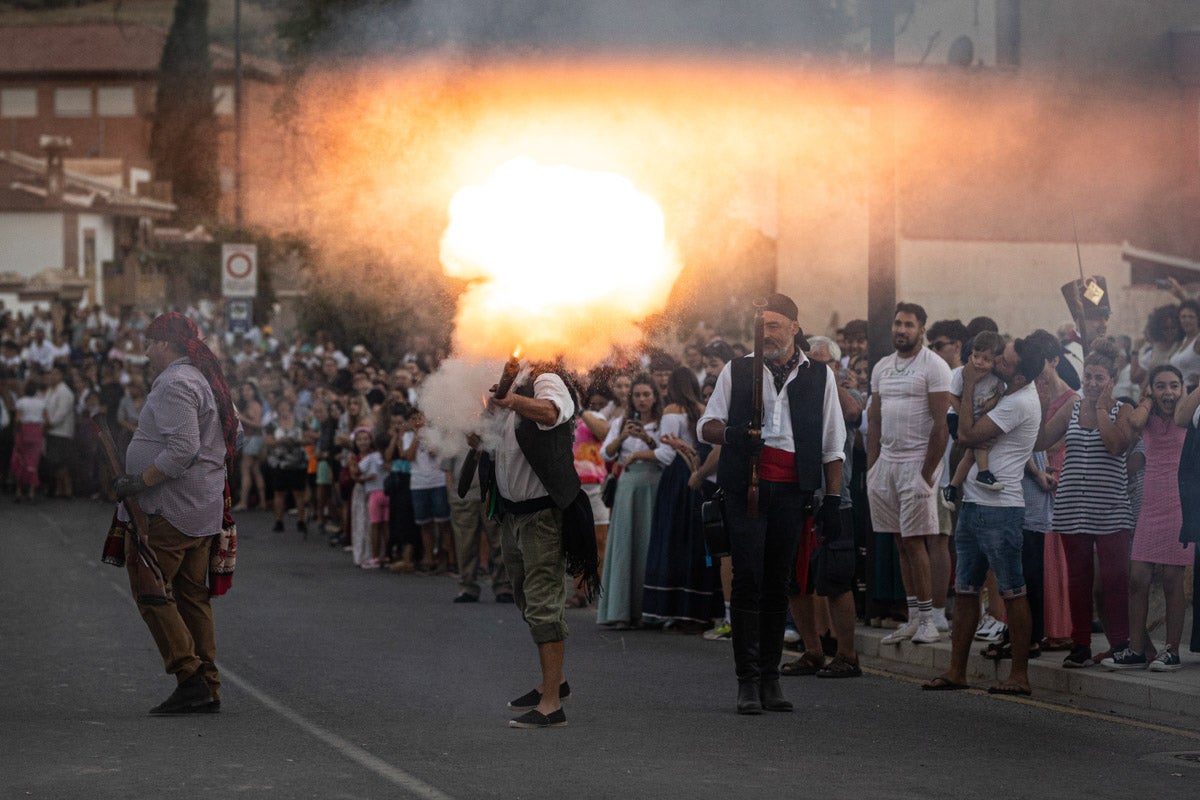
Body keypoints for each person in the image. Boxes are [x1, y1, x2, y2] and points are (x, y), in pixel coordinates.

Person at [698, 293, 846, 714]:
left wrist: (832, 498)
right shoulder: (738, 369)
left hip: (791, 492)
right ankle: (747, 680)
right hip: (747, 488)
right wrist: (732, 435)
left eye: (776, 325)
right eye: (763, 326)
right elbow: (706, 423)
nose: (768, 333)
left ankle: (770, 677)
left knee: (779, 581)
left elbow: (832, 443)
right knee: (747, 578)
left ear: (795, 328)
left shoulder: (819, 375)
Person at [110, 312, 239, 715]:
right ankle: (209, 685)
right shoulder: (204, 378)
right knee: (190, 596)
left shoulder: (175, 382)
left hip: (171, 508)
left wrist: (140, 480)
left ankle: (190, 676)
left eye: (149, 344)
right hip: (201, 506)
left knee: (150, 590)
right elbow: (237, 435)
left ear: (165, 344)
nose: (146, 352)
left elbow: (183, 449)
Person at [922, 336, 1046, 695]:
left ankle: (1019, 675)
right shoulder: (1008, 393)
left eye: (1005, 363)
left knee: (1011, 591)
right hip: (975, 503)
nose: (996, 365)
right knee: (965, 590)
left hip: (1000, 509)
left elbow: (963, 434)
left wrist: (971, 382)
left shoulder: (1018, 402)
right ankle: (956, 670)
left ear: (1020, 375)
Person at [485, 361, 579, 729]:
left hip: (542, 515)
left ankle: (552, 705)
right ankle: (553, 682)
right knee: (527, 598)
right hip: (513, 513)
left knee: (543, 602)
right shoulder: (512, 384)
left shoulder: (547, 379)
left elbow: (552, 412)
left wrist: (510, 402)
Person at [1038, 339, 1136, 668]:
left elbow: (1115, 445)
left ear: (1112, 379)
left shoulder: (1123, 410)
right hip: (1072, 507)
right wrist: (1039, 406)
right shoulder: (1072, 407)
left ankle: (1121, 644)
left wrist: (1099, 408)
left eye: (1100, 378)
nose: (1092, 384)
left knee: (1115, 578)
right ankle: (1080, 644)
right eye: (1088, 376)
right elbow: (1041, 440)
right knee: (1078, 579)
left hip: (1110, 509)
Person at [868, 303, 953, 645]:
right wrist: (873, 467)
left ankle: (931, 619)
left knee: (917, 541)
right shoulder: (882, 367)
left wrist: (926, 474)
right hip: (887, 462)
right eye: (898, 323)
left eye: (909, 325)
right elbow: (874, 419)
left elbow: (941, 426)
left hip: (918, 461)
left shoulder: (935, 367)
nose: (901, 329)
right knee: (900, 542)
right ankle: (913, 617)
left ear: (922, 330)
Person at [1103, 365, 1192, 671]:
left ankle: (1172, 651)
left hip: (1181, 505)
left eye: (1174, 386)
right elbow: (1136, 422)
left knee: (1171, 580)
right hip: (1150, 506)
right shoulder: (1148, 416)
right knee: (1137, 580)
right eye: (1161, 386)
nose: (1169, 392)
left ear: (1183, 388)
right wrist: (1147, 401)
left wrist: (1180, 399)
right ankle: (1137, 650)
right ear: (1152, 389)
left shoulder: (1189, 416)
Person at [596, 374, 668, 628]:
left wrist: (648, 441)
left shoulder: (662, 423)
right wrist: (623, 436)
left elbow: (666, 455)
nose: (641, 400)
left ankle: (650, 610)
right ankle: (621, 611)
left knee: (650, 545)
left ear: (655, 396)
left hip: (653, 484)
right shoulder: (620, 422)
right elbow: (606, 452)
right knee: (626, 544)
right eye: (637, 395)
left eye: (646, 394)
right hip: (628, 485)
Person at [942, 330, 1007, 502]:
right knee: (979, 444)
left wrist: (990, 404)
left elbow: (997, 396)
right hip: (956, 418)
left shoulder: (996, 380)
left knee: (972, 451)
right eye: (976, 356)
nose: (979, 362)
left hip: (976, 420)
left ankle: (952, 486)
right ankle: (983, 473)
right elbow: (952, 396)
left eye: (986, 359)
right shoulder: (963, 374)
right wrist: (966, 416)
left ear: (996, 361)